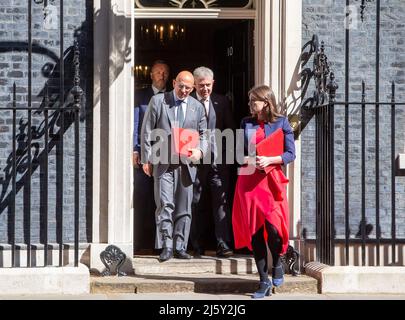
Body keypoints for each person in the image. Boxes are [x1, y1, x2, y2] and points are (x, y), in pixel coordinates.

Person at [232, 85, 295, 298]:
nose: (250, 105)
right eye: (250, 101)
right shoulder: (245, 123)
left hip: (271, 182)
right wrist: (251, 159)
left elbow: (289, 154)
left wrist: (270, 159)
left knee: (274, 229)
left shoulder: (282, 122)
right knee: (256, 233)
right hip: (249, 182)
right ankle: (263, 281)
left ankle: (277, 262)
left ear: (266, 102)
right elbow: (238, 154)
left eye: (253, 101)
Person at [141, 71, 208, 262]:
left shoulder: (197, 107)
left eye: (188, 88)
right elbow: (146, 131)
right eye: (181, 86)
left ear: (193, 88)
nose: (184, 90)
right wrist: (146, 159)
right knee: (165, 205)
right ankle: (166, 246)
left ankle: (180, 246)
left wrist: (200, 151)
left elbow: (204, 135)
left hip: (186, 164)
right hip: (163, 163)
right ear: (173, 83)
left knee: (184, 207)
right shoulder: (159, 101)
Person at [190, 66, 235, 258]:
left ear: (213, 84)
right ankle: (195, 245)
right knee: (196, 203)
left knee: (221, 204)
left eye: (208, 85)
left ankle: (223, 244)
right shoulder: (188, 103)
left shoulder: (222, 101)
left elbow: (230, 129)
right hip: (195, 163)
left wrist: (228, 157)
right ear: (194, 85)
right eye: (201, 86)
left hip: (219, 162)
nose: (205, 89)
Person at [133, 60, 170, 251]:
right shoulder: (140, 96)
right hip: (143, 156)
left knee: (163, 201)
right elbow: (135, 123)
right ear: (151, 75)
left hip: (165, 156)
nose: (161, 76)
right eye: (158, 72)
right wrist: (135, 149)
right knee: (142, 198)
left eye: (164, 72)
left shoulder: (172, 97)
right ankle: (139, 242)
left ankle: (161, 244)